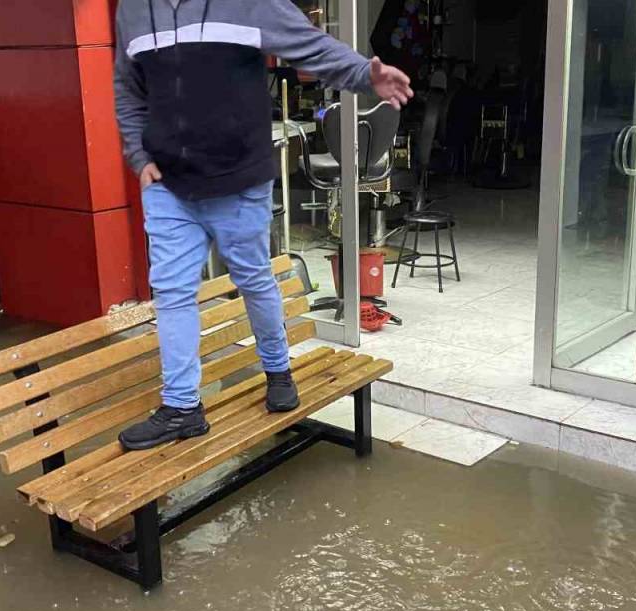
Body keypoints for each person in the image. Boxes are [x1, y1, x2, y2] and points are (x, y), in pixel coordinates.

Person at [113, 0, 413, 451]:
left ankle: (277, 371)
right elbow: (127, 88)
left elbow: (309, 45)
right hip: (169, 185)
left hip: (238, 179)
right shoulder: (133, 9)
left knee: (253, 280)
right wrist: (139, 157)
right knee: (172, 293)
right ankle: (182, 408)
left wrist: (363, 75)